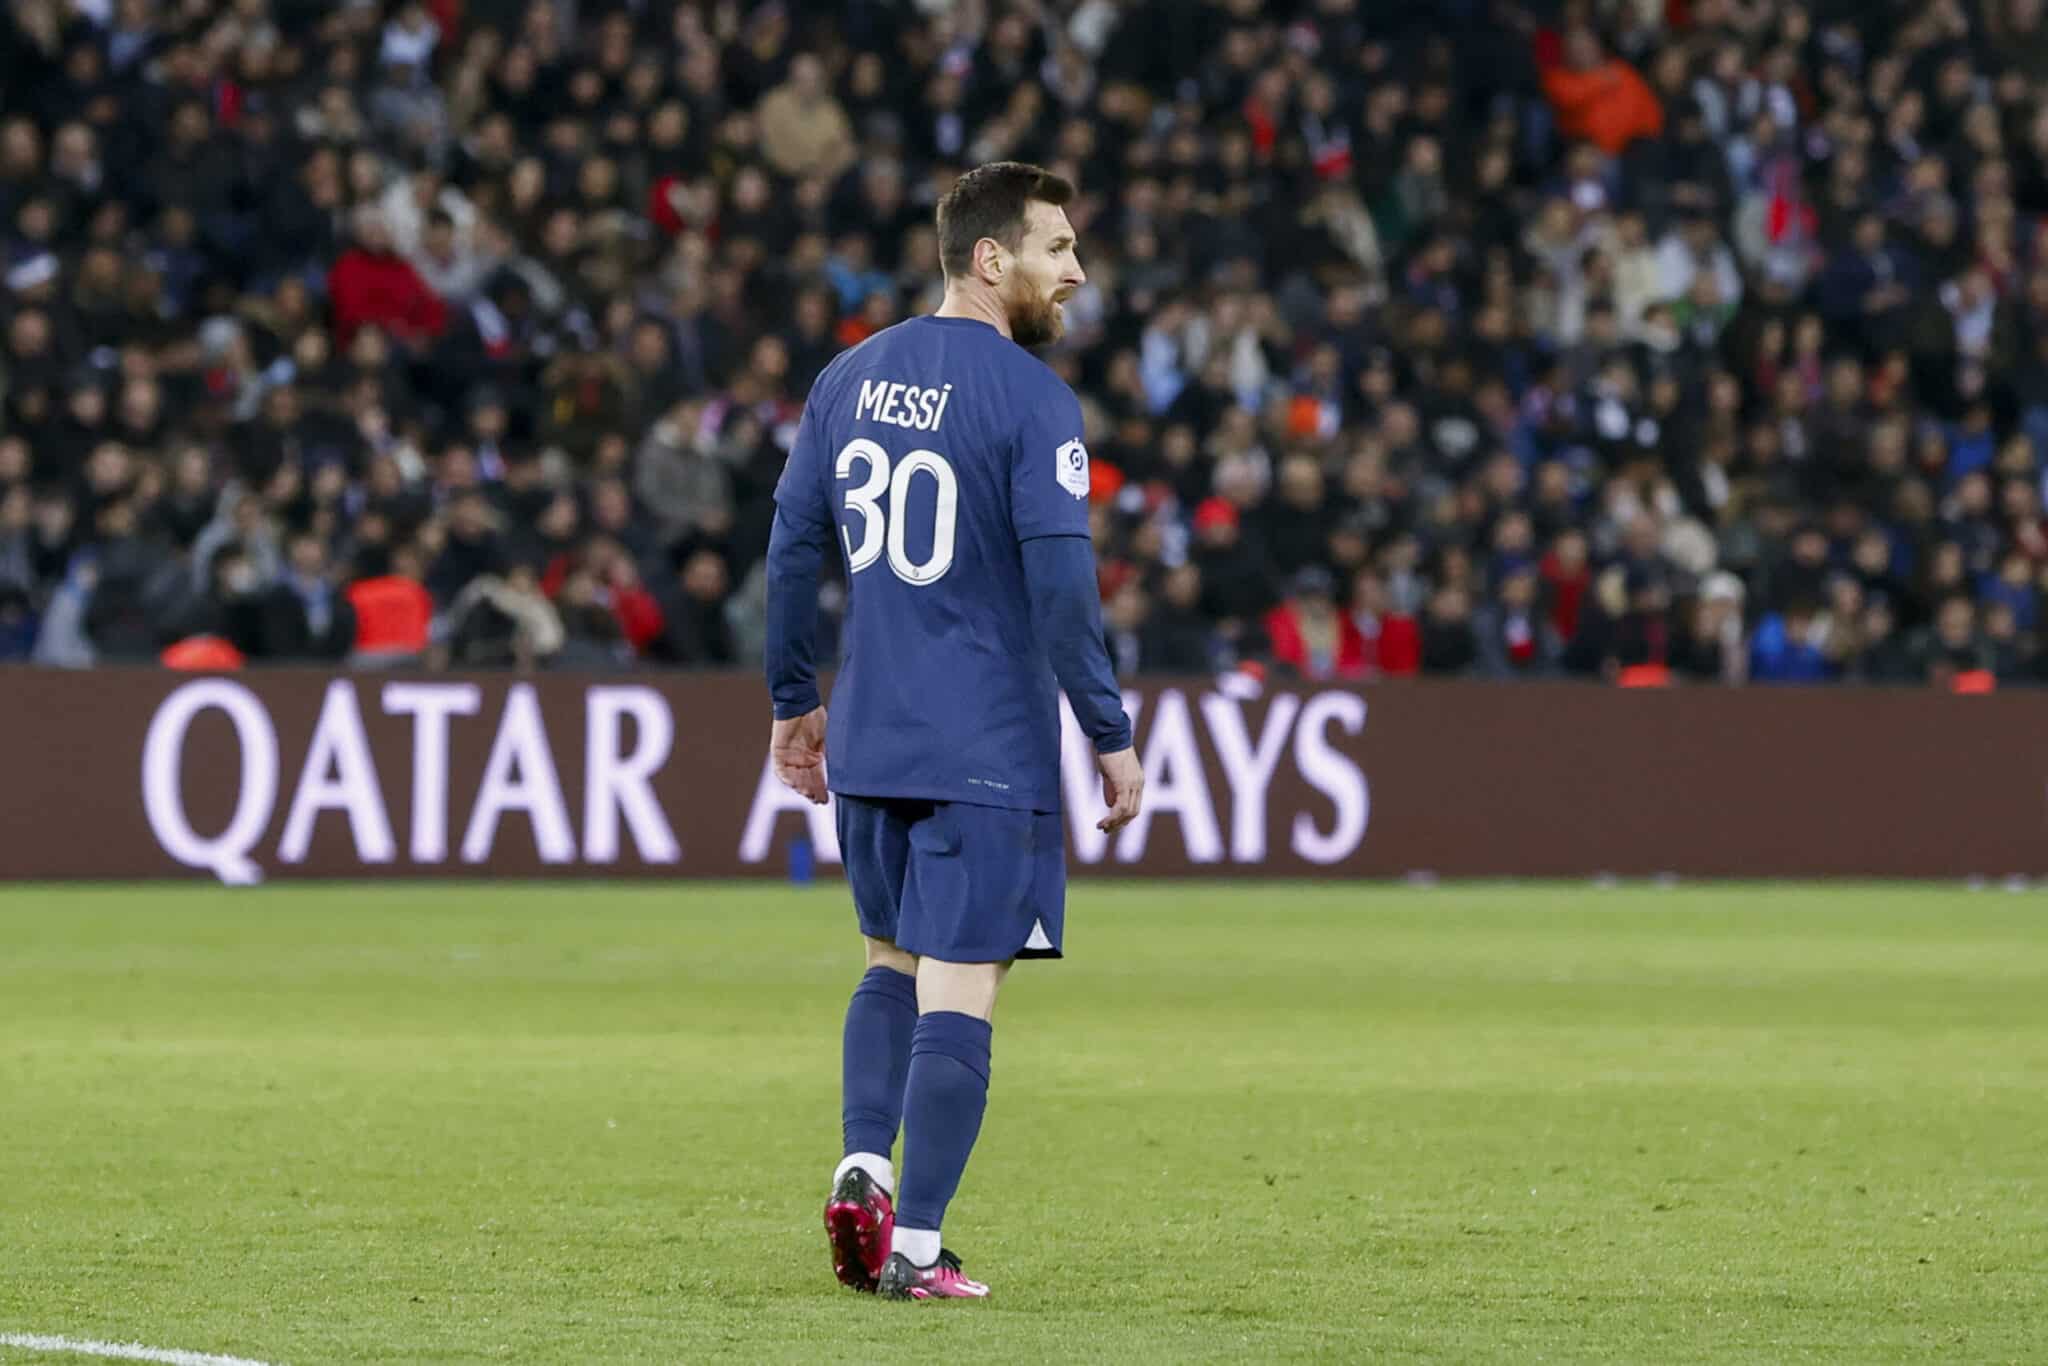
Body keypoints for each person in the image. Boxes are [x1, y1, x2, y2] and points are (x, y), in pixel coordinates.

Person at [763, 162, 1143, 1301]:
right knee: (963, 987)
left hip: (873, 736)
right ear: (990, 258)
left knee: (888, 960)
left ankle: (863, 1166)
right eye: (1056, 248)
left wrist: (793, 699)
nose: (1076, 272)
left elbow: (790, 550)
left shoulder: (846, 376)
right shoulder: (1033, 399)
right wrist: (1107, 730)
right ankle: (917, 1248)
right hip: (986, 743)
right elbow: (1063, 591)